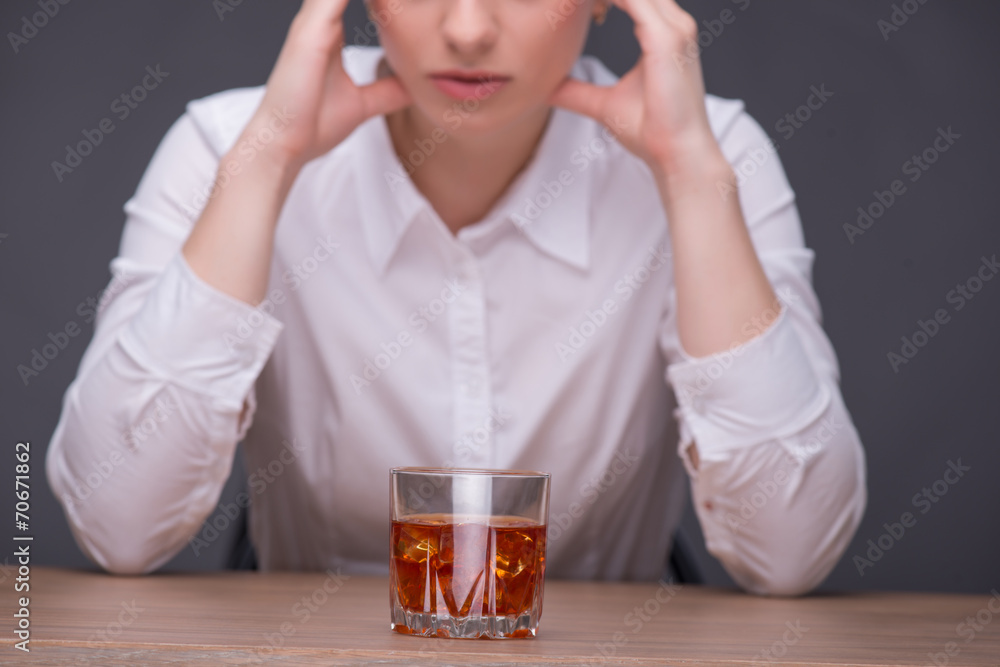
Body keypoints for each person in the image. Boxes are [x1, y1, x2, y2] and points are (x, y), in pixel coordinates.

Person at [45, 0, 866, 595]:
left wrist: (691, 180)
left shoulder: (712, 153)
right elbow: (118, 527)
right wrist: (267, 162)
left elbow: (792, 553)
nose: (468, 27)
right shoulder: (227, 145)